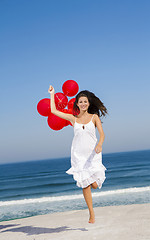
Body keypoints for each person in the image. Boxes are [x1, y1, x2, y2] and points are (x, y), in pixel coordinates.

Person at [48, 85, 108, 223]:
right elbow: (53, 110)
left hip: (93, 154)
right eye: (80, 102)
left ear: (89, 103)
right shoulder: (72, 118)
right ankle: (91, 213)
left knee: (94, 184)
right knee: (84, 184)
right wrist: (52, 94)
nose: (83, 104)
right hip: (78, 156)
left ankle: (93, 188)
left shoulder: (94, 117)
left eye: (85, 101)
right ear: (77, 103)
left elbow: (102, 134)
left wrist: (100, 144)